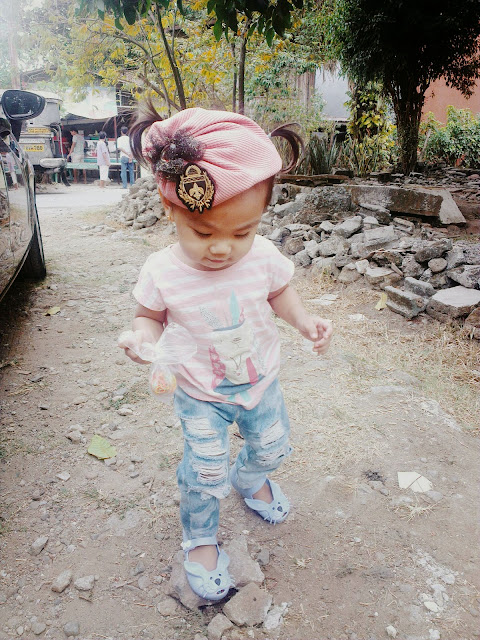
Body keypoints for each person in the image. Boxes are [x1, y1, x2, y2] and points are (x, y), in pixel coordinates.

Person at [118, 106, 333, 602]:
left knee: (273, 447)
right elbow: (148, 316)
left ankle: (251, 477)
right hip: (200, 394)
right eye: (204, 232)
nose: (223, 249)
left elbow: (279, 293)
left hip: (261, 384)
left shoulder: (264, 256)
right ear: (170, 208)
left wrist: (304, 322)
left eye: (242, 232)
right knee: (205, 469)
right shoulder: (162, 272)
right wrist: (144, 342)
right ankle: (199, 538)